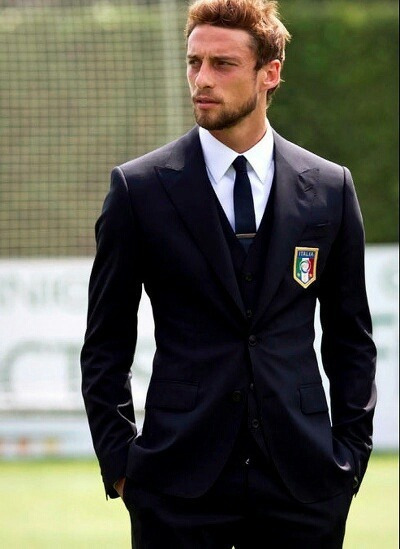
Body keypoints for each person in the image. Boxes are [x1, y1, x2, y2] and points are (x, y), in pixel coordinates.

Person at [81, 0, 377, 547]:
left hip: (305, 485)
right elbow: (105, 344)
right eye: (194, 62)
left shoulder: (330, 187)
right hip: (176, 485)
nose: (202, 79)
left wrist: (350, 459)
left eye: (222, 64)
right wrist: (122, 465)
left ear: (270, 73)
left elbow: (351, 340)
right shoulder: (138, 190)